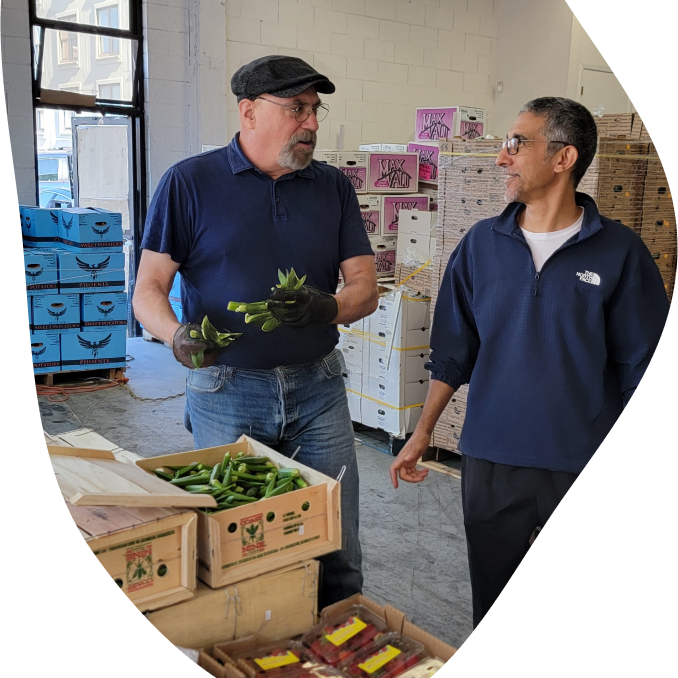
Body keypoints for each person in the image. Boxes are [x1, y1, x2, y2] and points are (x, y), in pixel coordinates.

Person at [390, 96, 670, 628]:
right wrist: (421, 433)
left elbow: (641, 366)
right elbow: (452, 354)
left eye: (517, 143)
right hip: (492, 458)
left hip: (579, 456)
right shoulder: (480, 246)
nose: (502, 157)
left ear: (563, 158)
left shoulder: (620, 253)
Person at [132, 55, 378, 608]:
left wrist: (326, 309)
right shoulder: (189, 183)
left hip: (320, 390)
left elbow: (365, 284)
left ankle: (343, 658)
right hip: (226, 390)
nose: (312, 123)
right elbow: (148, 288)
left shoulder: (332, 187)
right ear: (249, 112)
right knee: (240, 545)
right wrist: (175, 336)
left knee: (338, 544)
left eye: (315, 109)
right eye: (297, 109)